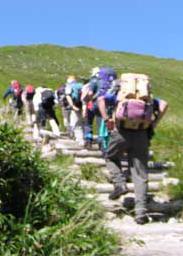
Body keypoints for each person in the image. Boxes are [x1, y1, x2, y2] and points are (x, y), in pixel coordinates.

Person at [97, 73, 168, 225]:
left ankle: (120, 183)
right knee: (140, 173)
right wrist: (155, 123)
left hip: (121, 132)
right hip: (142, 135)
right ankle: (141, 213)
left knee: (110, 156)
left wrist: (107, 119)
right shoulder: (146, 98)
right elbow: (164, 105)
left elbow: (100, 99)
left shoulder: (119, 95)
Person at [64, 76, 84, 145]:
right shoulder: (81, 86)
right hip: (83, 106)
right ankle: (83, 137)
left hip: (75, 106)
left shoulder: (69, 87)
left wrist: (72, 106)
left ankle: (79, 139)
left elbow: (68, 96)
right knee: (81, 122)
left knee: (75, 123)